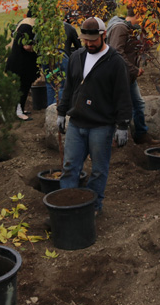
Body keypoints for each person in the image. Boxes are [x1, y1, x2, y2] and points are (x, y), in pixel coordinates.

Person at [56, 17, 132, 212]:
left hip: (101, 126)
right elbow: (69, 88)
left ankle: (94, 207)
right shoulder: (76, 57)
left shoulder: (115, 62)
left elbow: (123, 96)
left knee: (98, 170)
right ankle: (67, 207)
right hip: (76, 123)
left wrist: (122, 125)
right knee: (69, 167)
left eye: (93, 40)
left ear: (103, 35)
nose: (89, 44)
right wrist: (61, 113)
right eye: (85, 41)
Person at [107, 8, 159, 145]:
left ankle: (141, 134)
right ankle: (113, 139)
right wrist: (133, 70)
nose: (144, 21)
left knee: (138, 103)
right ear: (137, 15)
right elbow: (116, 52)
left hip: (128, 76)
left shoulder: (131, 29)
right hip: (119, 76)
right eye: (143, 17)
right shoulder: (120, 28)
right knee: (116, 105)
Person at [5, 11, 38, 121]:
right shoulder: (26, 26)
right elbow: (26, 46)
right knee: (22, 87)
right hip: (20, 64)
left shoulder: (25, 23)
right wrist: (39, 48)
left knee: (25, 86)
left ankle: (21, 109)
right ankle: (18, 112)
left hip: (25, 63)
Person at [44, 19, 82, 107]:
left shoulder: (45, 27)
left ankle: (50, 108)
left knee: (50, 84)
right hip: (61, 58)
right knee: (63, 85)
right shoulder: (69, 27)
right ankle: (56, 108)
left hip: (46, 58)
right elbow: (79, 48)